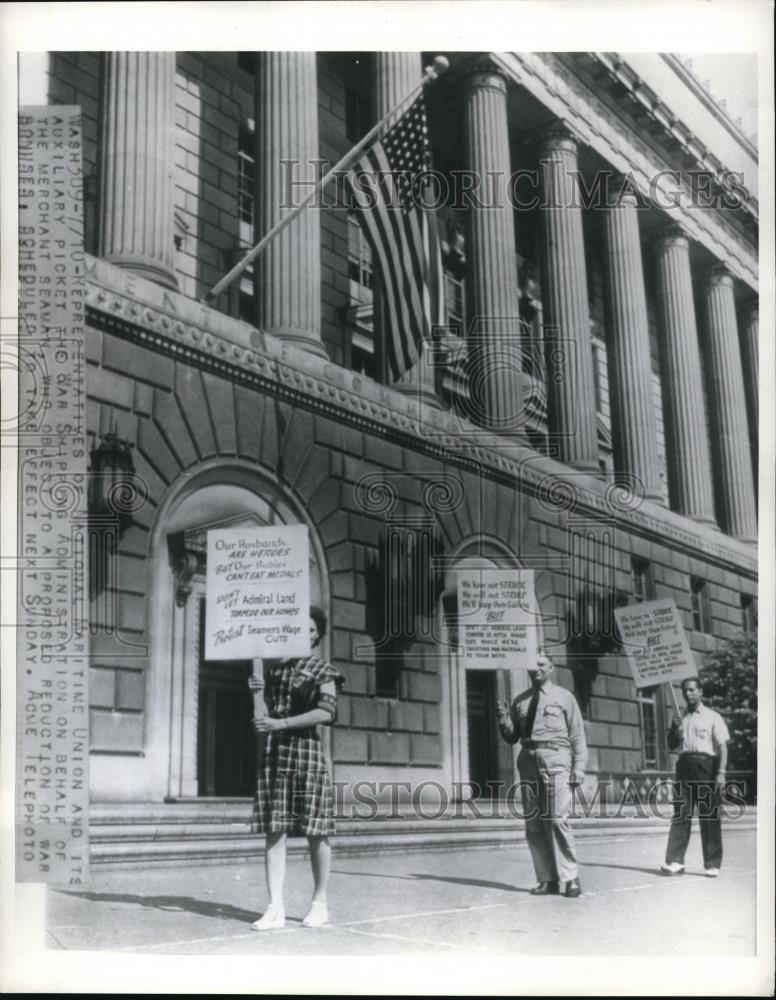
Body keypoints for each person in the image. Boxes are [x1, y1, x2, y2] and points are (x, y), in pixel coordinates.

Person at [248, 606, 344, 930]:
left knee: (316, 830)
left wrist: (282, 722)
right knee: (275, 829)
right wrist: (257, 692)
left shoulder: (323, 670)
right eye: (301, 628)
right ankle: (275, 906)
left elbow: (326, 713)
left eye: (313, 631)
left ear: (318, 637)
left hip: (307, 752)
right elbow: (262, 720)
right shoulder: (275, 671)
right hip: (277, 753)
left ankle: (320, 902)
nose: (307, 634)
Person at [497, 651, 588, 898]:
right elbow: (512, 737)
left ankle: (570, 877)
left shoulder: (564, 697)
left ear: (551, 668)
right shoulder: (520, 701)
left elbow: (577, 735)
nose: (535, 669)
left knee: (558, 819)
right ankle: (547, 879)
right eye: (531, 665)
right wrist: (504, 720)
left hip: (556, 760)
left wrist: (579, 767)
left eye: (541, 664)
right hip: (528, 760)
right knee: (534, 823)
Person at [661, 676, 730, 878]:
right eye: (685, 691)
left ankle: (712, 863)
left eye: (692, 690)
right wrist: (675, 728)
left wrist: (721, 773)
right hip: (684, 767)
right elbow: (672, 744)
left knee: (709, 815)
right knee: (681, 813)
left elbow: (723, 747)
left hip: (706, 767)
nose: (688, 694)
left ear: (700, 691)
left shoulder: (712, 717)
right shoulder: (680, 717)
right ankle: (675, 861)